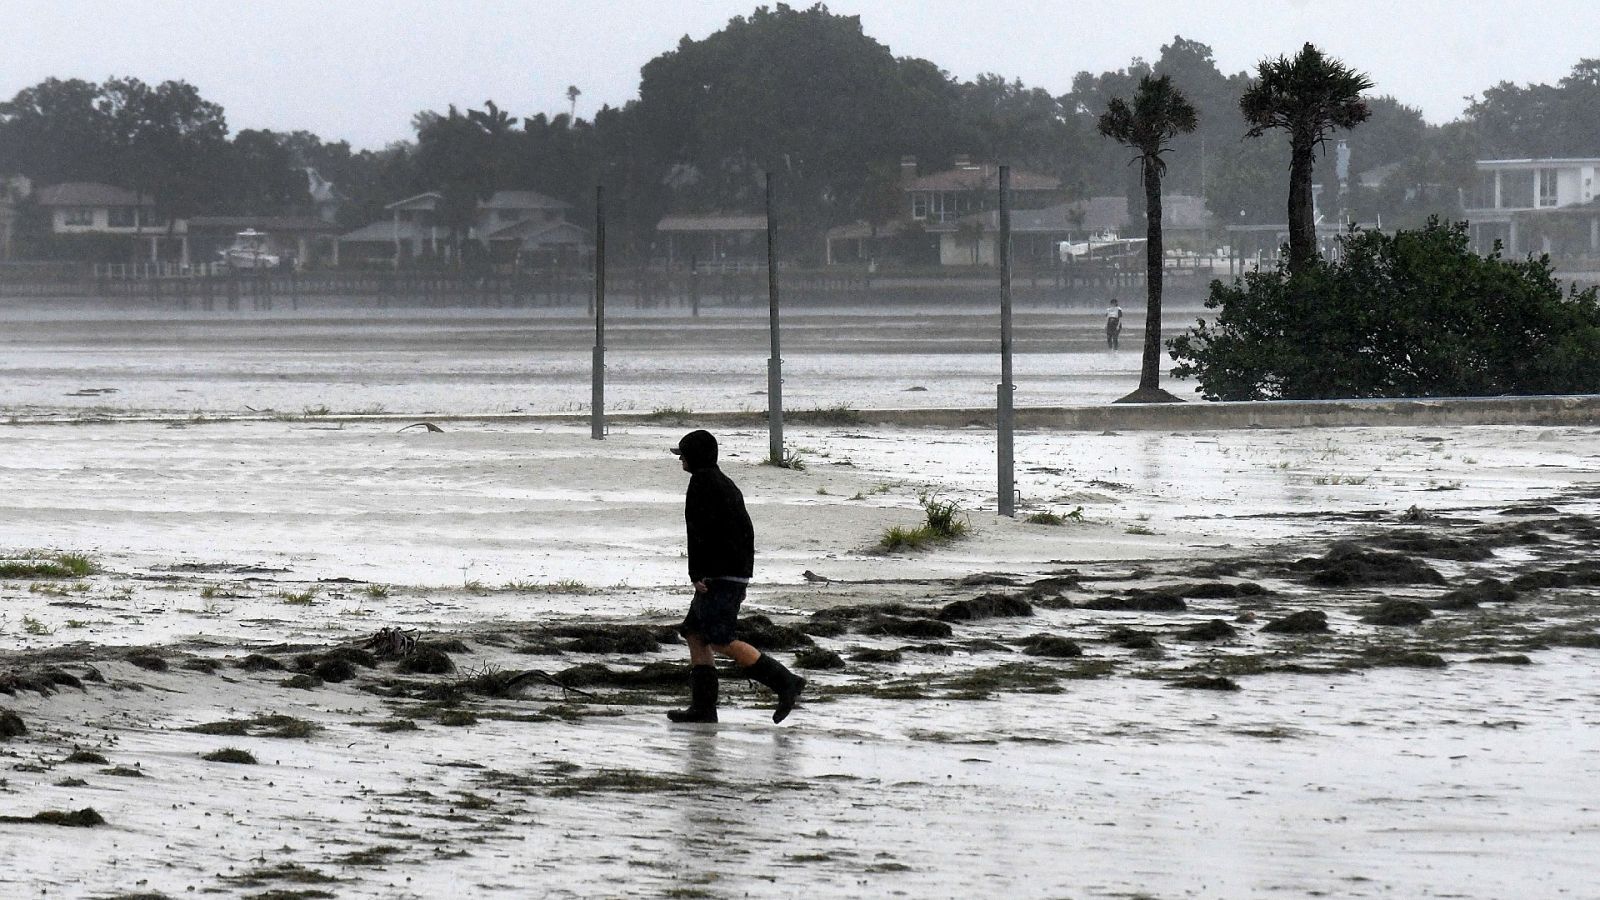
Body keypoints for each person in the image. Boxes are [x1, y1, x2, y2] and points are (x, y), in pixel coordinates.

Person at [666, 429, 805, 724]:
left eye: (683, 455)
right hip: (732, 571)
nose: (681, 461)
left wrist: (698, 573)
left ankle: (785, 682)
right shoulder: (723, 482)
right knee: (695, 633)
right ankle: (703, 708)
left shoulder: (701, 484)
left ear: (694, 457)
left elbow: (699, 534)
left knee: (719, 639)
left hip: (720, 575)